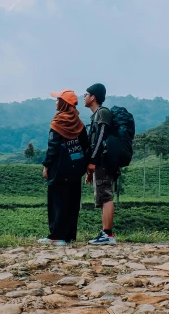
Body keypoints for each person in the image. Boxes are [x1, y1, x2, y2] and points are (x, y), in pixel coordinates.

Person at [38, 89, 90, 245]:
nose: (56, 102)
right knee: (72, 202)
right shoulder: (79, 124)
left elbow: (52, 148)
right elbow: (85, 146)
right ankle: (68, 237)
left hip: (59, 169)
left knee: (57, 202)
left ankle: (56, 236)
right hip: (75, 169)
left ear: (63, 104)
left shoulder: (58, 122)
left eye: (58, 99)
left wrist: (46, 166)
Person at [84, 83, 117, 245]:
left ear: (93, 97)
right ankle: (105, 232)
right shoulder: (96, 115)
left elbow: (100, 138)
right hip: (100, 162)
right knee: (103, 196)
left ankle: (108, 234)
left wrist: (93, 161)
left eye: (86, 94)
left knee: (106, 196)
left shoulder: (102, 113)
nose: (84, 97)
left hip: (103, 161)